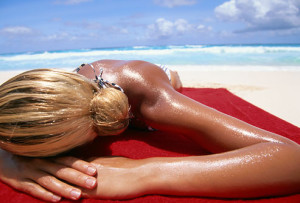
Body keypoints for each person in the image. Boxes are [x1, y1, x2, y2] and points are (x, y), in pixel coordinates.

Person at [0, 60, 299, 202]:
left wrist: (146, 173)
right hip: (102, 74)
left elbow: (290, 158)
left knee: (173, 78)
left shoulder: (155, 102)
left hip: (155, 75)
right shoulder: (48, 95)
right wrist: (9, 162)